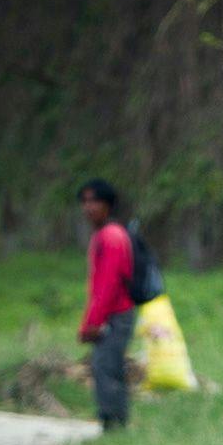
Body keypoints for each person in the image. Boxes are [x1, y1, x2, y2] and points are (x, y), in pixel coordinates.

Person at [76, 179, 136, 431]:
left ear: (108, 205)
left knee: (106, 368)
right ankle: (114, 422)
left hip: (115, 315)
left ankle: (113, 424)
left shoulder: (111, 237)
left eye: (95, 201)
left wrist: (92, 323)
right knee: (107, 366)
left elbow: (107, 284)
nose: (89, 207)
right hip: (111, 314)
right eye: (85, 202)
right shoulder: (104, 235)